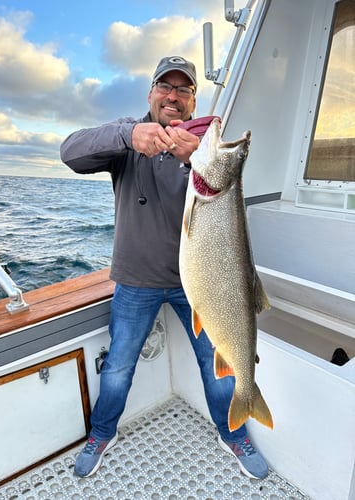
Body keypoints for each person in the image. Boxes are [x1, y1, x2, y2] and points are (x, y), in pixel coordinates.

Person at [60, 55, 269, 480]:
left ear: (193, 100)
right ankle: (102, 432)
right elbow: (70, 152)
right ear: (151, 92)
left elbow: (226, 192)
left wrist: (196, 158)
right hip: (136, 281)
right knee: (118, 365)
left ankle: (233, 432)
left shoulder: (203, 148)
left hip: (201, 286)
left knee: (219, 363)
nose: (173, 96)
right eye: (165, 87)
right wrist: (129, 135)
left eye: (183, 90)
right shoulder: (127, 142)